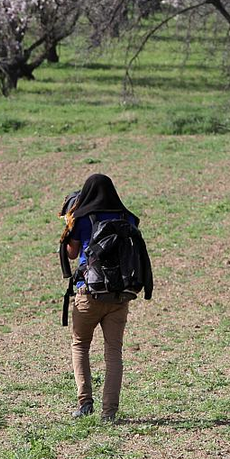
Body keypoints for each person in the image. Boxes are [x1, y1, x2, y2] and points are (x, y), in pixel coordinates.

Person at [64, 173, 151, 421]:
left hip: (88, 293)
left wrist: (68, 222)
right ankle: (109, 412)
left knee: (80, 345)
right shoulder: (127, 217)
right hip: (120, 295)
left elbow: (71, 253)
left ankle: (85, 403)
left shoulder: (82, 217)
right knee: (114, 352)